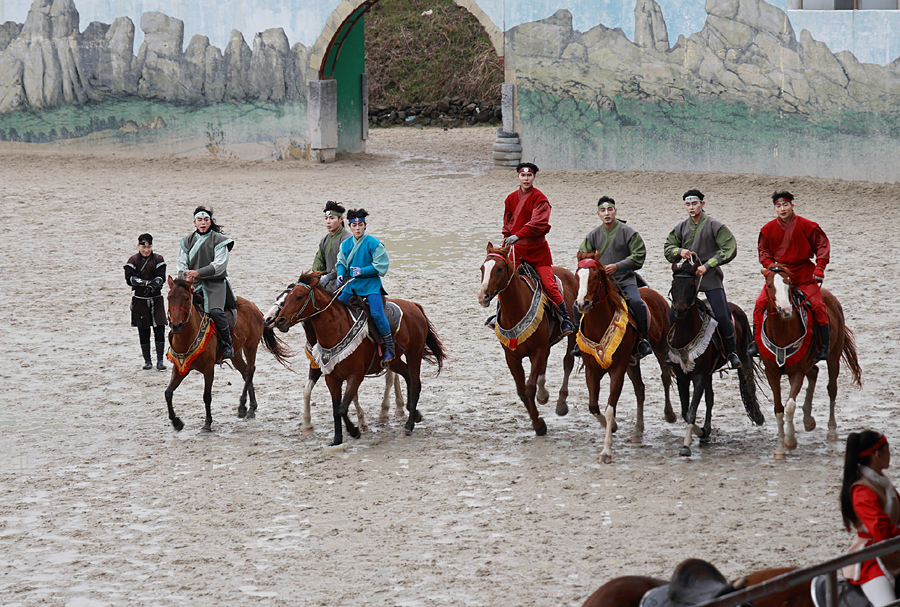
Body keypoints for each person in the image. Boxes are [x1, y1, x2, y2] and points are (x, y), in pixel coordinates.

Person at [663, 189, 741, 369]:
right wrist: (679, 251)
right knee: (673, 313)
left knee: (722, 314)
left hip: (710, 277)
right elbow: (668, 247)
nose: (691, 207)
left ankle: (731, 352)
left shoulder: (715, 226)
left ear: (702, 204)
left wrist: (708, 264)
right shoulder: (681, 227)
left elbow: (729, 247)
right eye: (688, 204)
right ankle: (672, 352)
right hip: (687, 279)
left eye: (695, 203)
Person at [749, 191, 831, 360]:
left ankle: (824, 345)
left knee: (817, 305)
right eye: (778, 206)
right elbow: (764, 251)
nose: (782, 208)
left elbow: (822, 246)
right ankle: (756, 343)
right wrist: (771, 267)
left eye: (785, 204)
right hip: (779, 274)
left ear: (792, 205)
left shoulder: (808, 225)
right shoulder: (767, 229)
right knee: (760, 303)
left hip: (803, 274)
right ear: (774, 208)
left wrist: (820, 268)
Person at [497, 162, 574, 335]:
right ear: (518, 177)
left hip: (538, 252)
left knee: (549, 284)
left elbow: (538, 223)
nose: (526, 178)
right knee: (504, 282)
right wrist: (506, 241)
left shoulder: (540, 198)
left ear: (534, 177)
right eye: (523, 175)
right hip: (516, 252)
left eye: (529, 175)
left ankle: (565, 318)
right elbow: (507, 223)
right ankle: (498, 316)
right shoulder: (510, 198)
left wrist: (518, 235)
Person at [577, 196, 652, 359]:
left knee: (636, 303)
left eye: (610, 210)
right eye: (603, 211)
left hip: (624, 280)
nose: (607, 213)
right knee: (580, 303)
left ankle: (643, 339)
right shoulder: (593, 235)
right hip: (601, 283)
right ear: (598, 214)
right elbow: (583, 257)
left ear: (615, 211)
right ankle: (579, 340)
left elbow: (639, 255)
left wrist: (618, 266)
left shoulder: (629, 232)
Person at [840, 430, 900, 607]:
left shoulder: (881, 481)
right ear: (878, 454)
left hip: (892, 549)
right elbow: (882, 531)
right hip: (872, 557)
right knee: (887, 604)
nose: (891, 454)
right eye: (888, 449)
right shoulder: (861, 490)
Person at [334, 208, 394, 364]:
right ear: (350, 226)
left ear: (365, 225)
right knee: (336, 308)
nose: (358, 228)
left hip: (371, 286)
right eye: (354, 225)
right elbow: (341, 262)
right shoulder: (345, 244)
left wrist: (363, 271)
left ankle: (389, 347)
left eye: (360, 224)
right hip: (351, 286)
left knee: (377, 314)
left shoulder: (374, 243)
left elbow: (382, 266)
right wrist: (340, 273)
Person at [176, 206, 235, 360]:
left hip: (214, 283)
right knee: (178, 308)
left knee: (216, 312)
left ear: (210, 222)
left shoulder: (220, 241)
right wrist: (186, 276)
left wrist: (198, 272)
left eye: (206, 220)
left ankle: (228, 344)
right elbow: (181, 263)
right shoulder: (186, 241)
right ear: (194, 222)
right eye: (199, 220)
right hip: (193, 283)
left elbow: (219, 265)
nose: (203, 223)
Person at [124, 233, 167, 370]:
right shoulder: (133, 260)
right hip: (140, 300)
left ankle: (160, 360)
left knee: (159, 329)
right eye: (143, 246)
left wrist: (153, 285)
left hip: (156, 299)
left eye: (148, 246)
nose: (146, 250)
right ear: (138, 245)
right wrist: (147, 283)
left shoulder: (158, 259)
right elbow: (130, 278)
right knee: (143, 331)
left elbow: (161, 277)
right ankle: (147, 361)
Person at [313, 200, 352, 295]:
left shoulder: (347, 239)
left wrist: (329, 277)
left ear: (341, 220)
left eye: (332, 218)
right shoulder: (324, 240)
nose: (328, 222)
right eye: (326, 218)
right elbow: (318, 264)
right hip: (327, 284)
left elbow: (346, 264)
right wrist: (315, 277)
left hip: (344, 283)